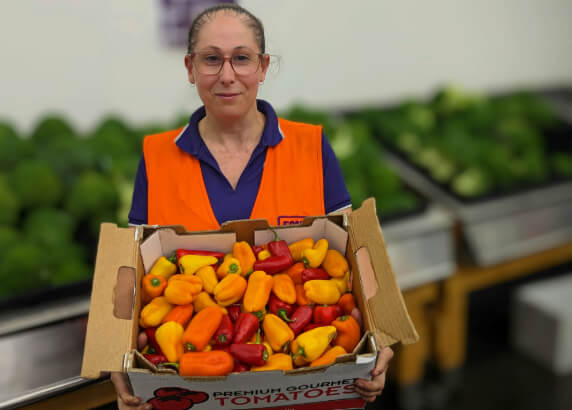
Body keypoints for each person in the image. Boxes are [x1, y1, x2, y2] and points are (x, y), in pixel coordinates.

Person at [112, 4, 393, 409]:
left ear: (262, 67)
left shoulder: (310, 147)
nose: (227, 75)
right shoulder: (157, 156)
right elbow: (131, 272)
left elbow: (355, 254)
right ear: (191, 69)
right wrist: (120, 354)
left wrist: (381, 331)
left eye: (241, 58)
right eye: (211, 59)